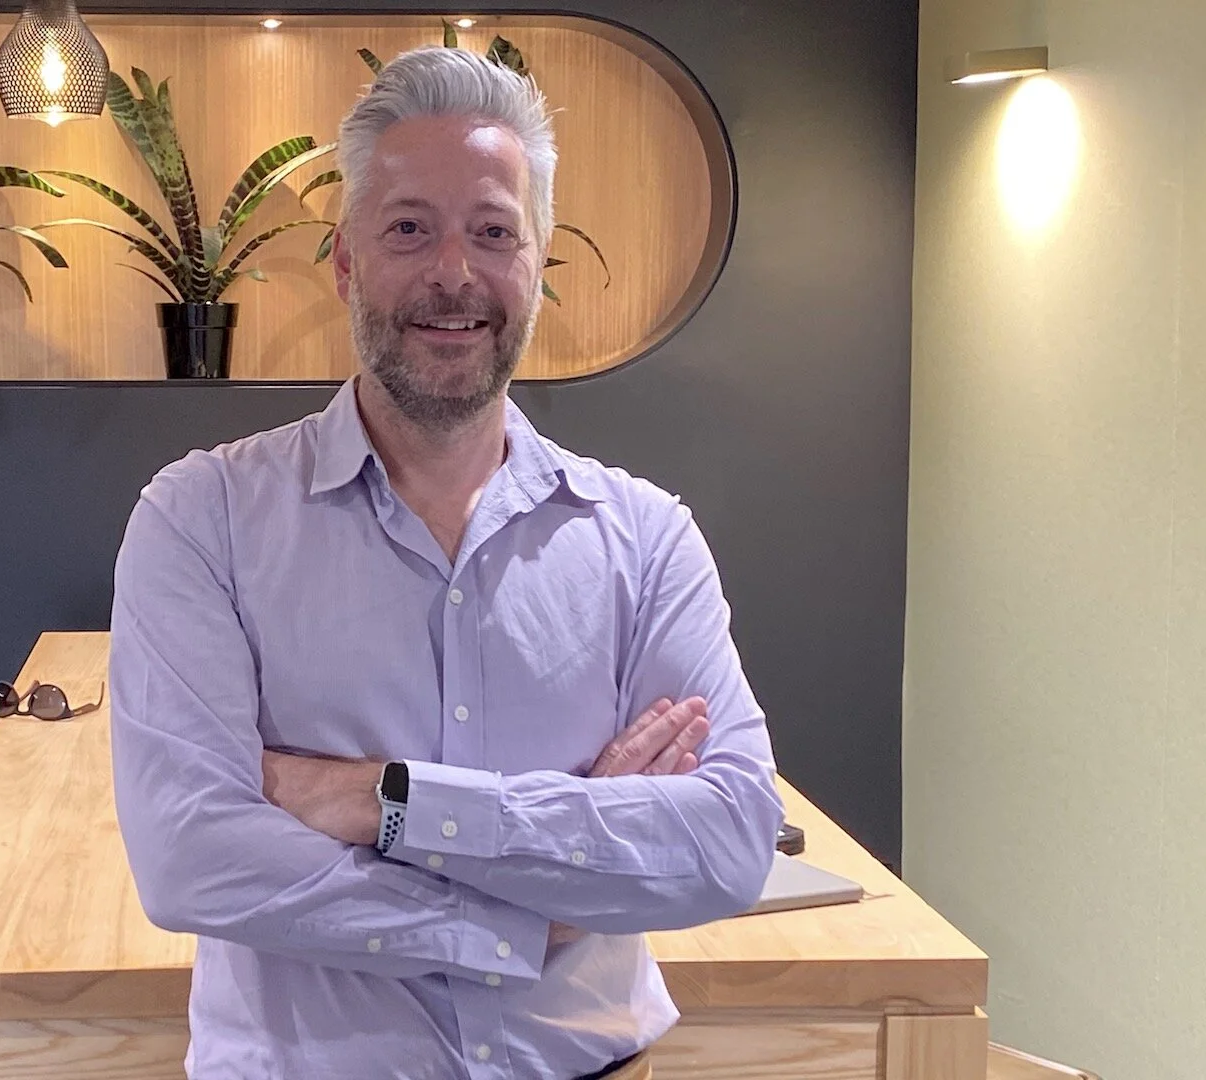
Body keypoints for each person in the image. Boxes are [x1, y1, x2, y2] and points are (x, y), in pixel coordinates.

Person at [109, 45, 783, 1080]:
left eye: (494, 232)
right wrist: (535, 909)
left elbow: (730, 838)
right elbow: (191, 857)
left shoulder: (646, 541)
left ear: (538, 265)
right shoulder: (203, 520)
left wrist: (381, 802)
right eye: (410, 229)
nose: (455, 274)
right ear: (346, 262)